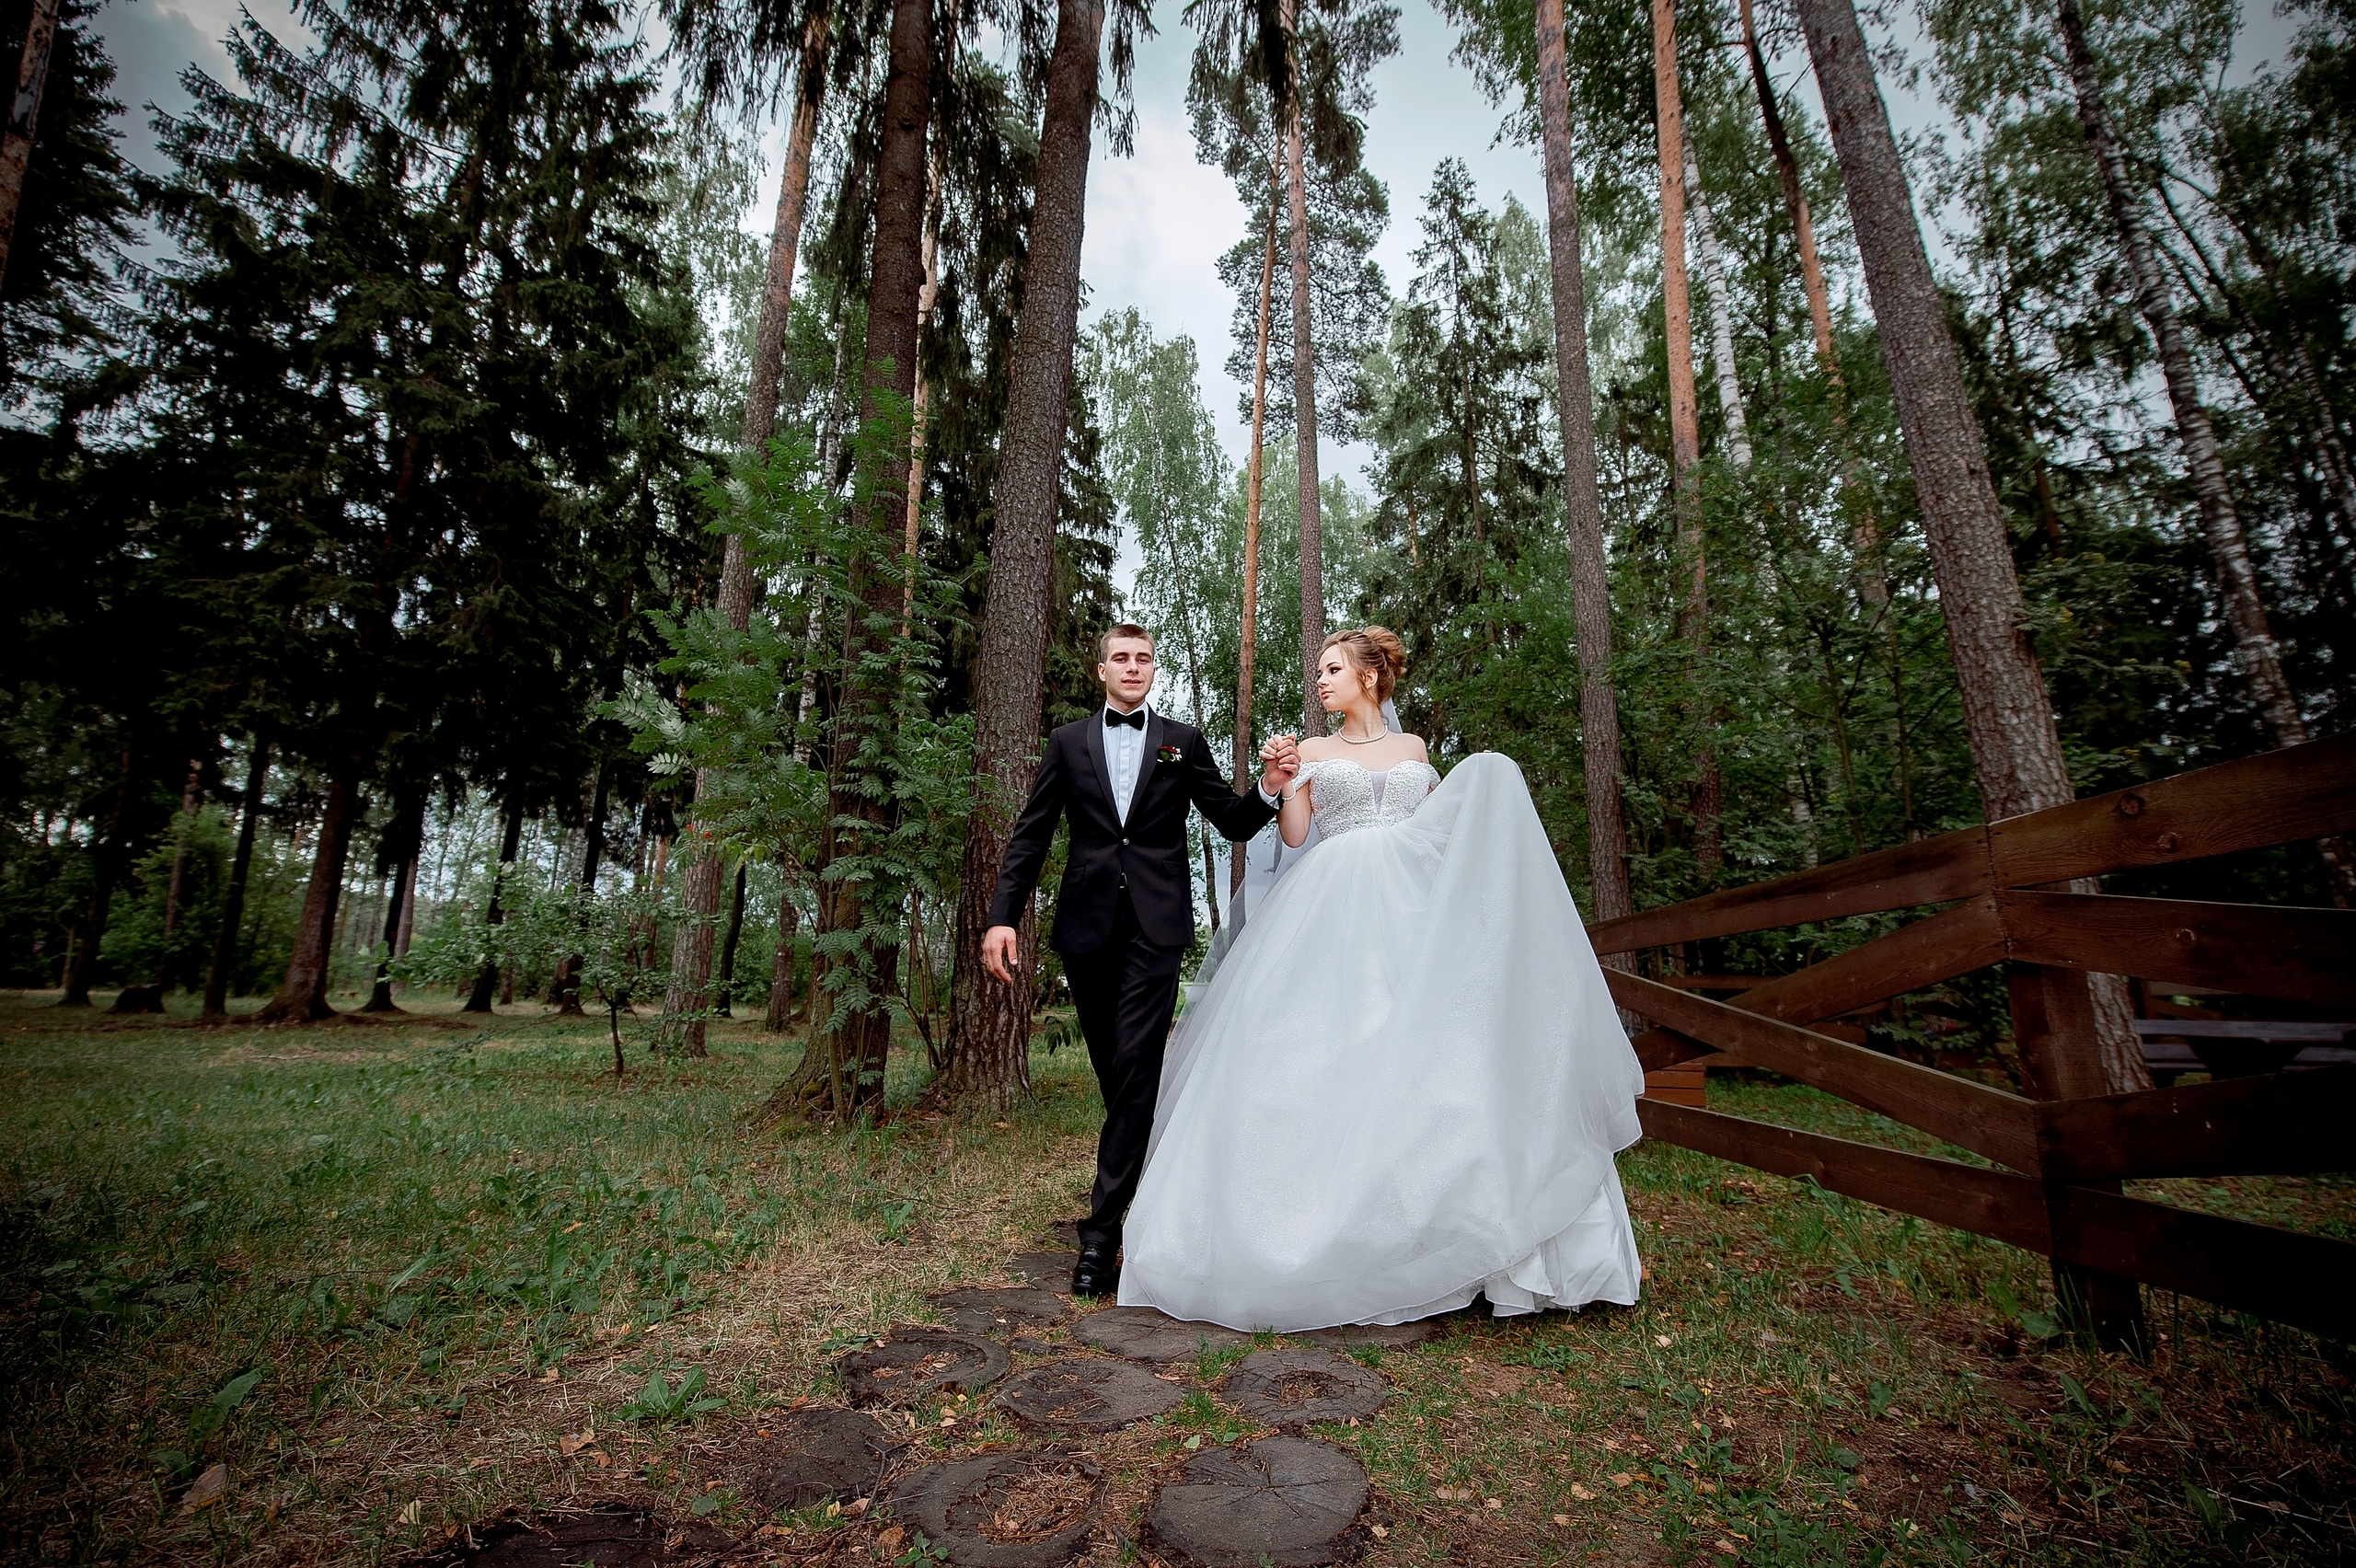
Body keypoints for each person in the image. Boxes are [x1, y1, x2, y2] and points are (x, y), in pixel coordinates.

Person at [1116, 627, 1647, 1332]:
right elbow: (1300, 837)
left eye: (1332, 669)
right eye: (1319, 671)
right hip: (1330, 908)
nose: (1320, 681)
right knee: (1324, 1052)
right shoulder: (1309, 750)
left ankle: (1465, 1233)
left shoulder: (1416, 752)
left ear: (1370, 677)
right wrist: (1282, 782)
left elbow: (1435, 831)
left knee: (1436, 1055)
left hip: (1413, 909)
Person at [981, 623, 1299, 1297]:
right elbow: (1031, 834)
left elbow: (1232, 821)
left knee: (1136, 1066)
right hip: (1086, 927)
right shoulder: (1067, 743)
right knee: (1118, 1074)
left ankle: (1100, 1237)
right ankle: (1155, 1184)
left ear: (1155, 669)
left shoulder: (1182, 741)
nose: (1132, 667)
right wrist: (1002, 916)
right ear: (1102, 671)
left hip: (1157, 928)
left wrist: (1269, 788)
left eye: (1143, 658)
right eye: (1120, 658)